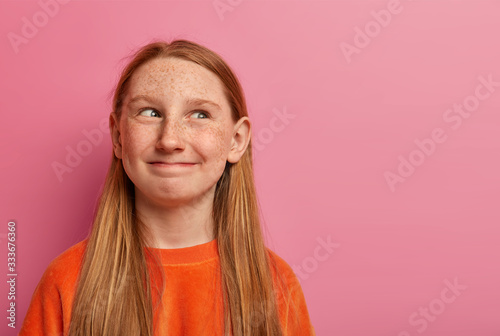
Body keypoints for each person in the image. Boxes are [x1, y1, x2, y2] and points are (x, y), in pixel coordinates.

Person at [19, 39, 315, 336]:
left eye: (200, 114)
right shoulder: (66, 281)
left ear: (237, 141)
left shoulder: (277, 285)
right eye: (150, 112)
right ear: (119, 137)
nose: (170, 140)